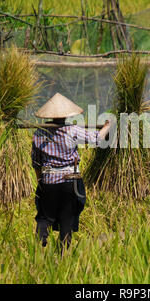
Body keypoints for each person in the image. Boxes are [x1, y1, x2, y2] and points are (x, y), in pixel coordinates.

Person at [31, 93, 110, 250]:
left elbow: (36, 162)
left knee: (45, 215)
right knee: (67, 218)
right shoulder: (72, 130)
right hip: (69, 182)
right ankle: (63, 256)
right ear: (67, 115)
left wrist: (40, 182)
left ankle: (41, 241)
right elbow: (96, 139)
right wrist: (107, 127)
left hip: (49, 181)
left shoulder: (39, 133)